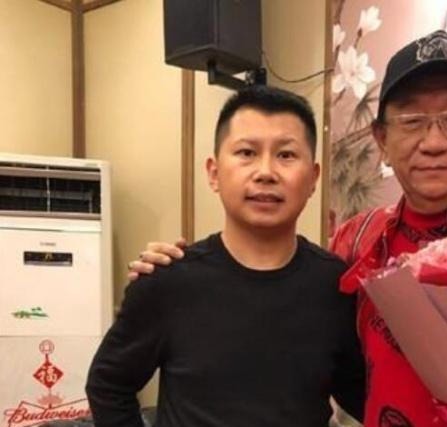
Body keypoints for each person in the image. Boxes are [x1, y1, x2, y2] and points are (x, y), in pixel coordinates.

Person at [129, 31, 447, 427]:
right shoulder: (356, 240)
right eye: (412, 121)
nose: (434, 141)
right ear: (382, 139)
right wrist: (182, 271)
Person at [86, 86, 365, 427]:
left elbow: (364, 396)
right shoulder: (168, 281)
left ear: (313, 179)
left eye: (286, 155)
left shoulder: (335, 284)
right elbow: (108, 385)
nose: (266, 172)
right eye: (247, 152)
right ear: (214, 173)